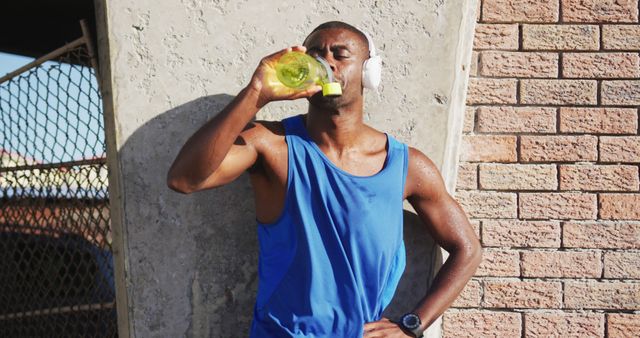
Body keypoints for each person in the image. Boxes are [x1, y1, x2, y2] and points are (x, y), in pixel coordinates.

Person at [167, 21, 482, 338]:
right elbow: (184, 179)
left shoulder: (406, 165)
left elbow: (467, 249)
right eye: (316, 54)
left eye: (340, 55)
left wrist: (412, 324)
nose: (326, 62)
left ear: (369, 72)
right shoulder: (271, 145)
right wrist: (256, 93)